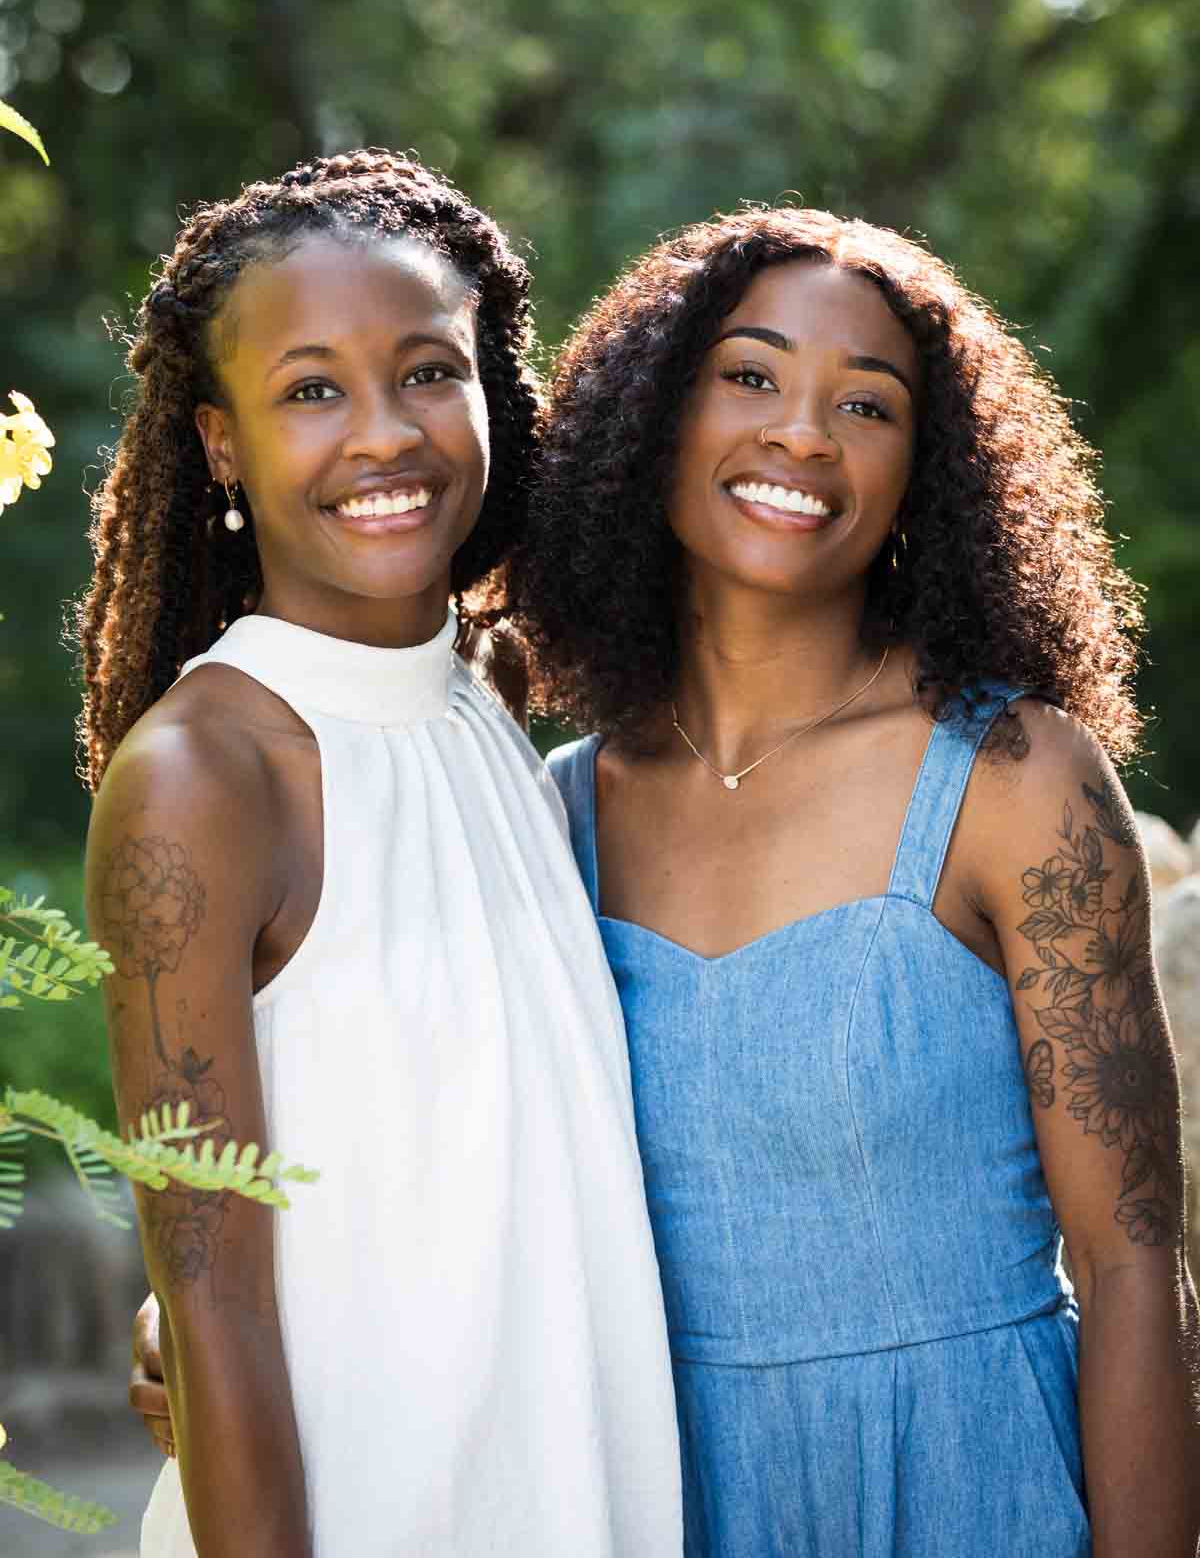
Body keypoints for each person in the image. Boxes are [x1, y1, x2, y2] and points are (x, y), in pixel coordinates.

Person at [514, 207, 1200, 1557]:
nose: (805, 435)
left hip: (975, 1488)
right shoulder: (556, 813)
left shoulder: (1015, 780)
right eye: (750, 375)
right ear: (653, 417)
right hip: (659, 1497)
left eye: (868, 406)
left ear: (925, 474)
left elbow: (1132, 1273)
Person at [81, 149, 681, 1557]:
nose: (384, 434)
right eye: (308, 390)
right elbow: (212, 1304)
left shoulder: (490, 706)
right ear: (221, 440)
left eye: (426, 371)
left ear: (493, 392)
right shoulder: (202, 774)